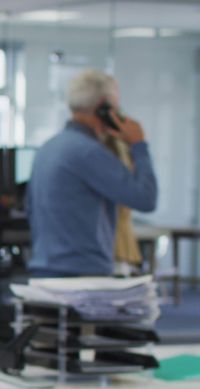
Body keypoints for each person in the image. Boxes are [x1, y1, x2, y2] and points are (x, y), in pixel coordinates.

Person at [26, 69, 158, 278]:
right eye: (117, 106)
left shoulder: (47, 148)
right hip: (82, 280)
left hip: (44, 273)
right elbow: (145, 198)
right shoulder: (90, 153)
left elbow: (30, 209)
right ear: (104, 106)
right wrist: (138, 144)